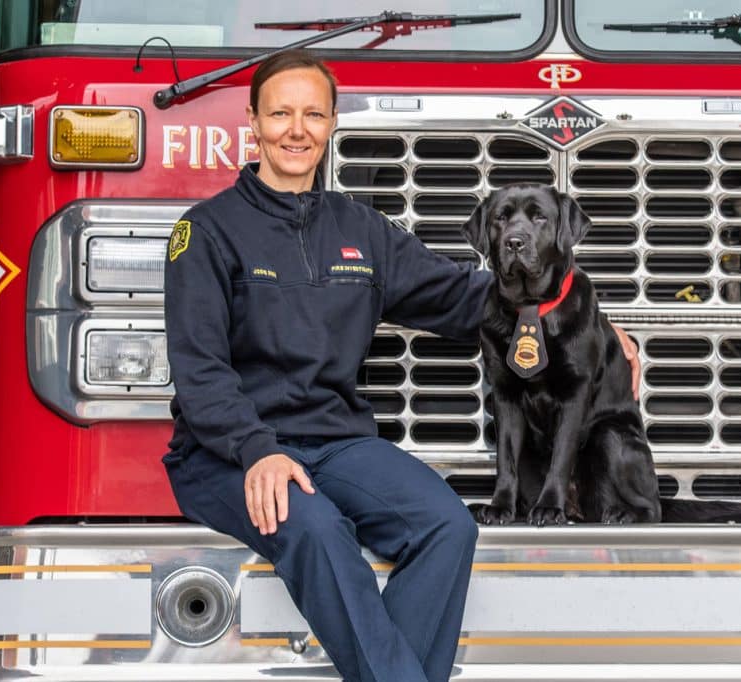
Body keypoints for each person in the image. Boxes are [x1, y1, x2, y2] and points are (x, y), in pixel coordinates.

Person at [162, 50, 641, 682]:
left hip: (336, 444)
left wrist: (590, 326)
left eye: (312, 114)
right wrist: (256, 450)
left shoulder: (361, 229)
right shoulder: (205, 233)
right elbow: (199, 372)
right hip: (228, 455)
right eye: (280, 113)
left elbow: (464, 294)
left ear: (332, 123)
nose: (296, 130)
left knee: (446, 526)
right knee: (319, 531)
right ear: (252, 121)